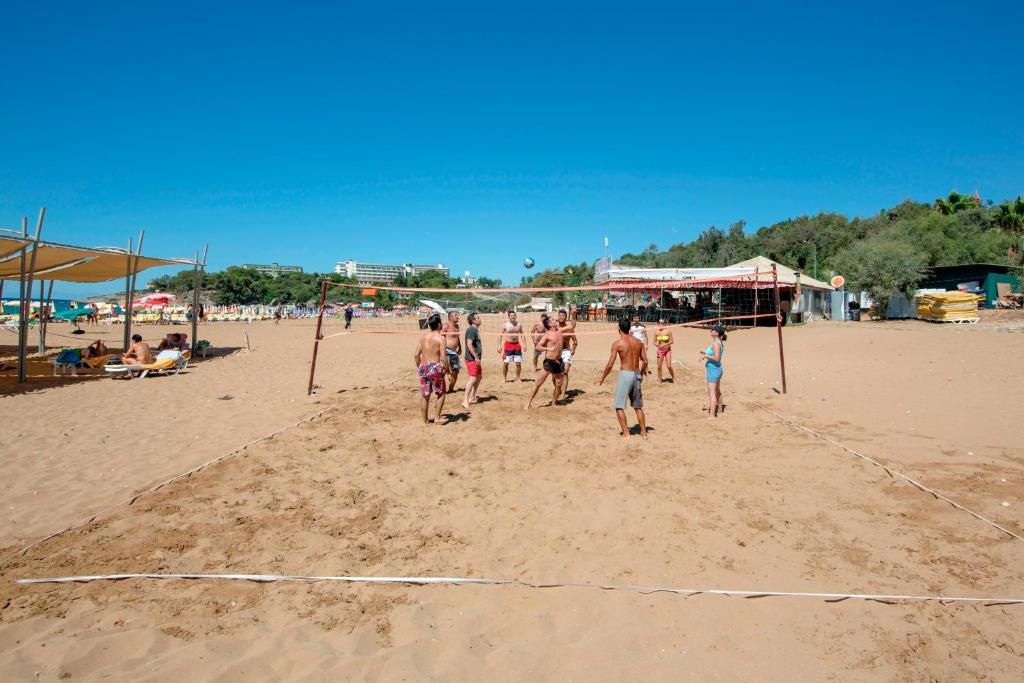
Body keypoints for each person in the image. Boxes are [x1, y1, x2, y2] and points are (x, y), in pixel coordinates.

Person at [596, 317, 649, 438]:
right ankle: (644, 433)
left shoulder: (617, 344)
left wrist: (603, 377)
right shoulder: (638, 342)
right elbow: (645, 361)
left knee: (619, 406)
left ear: (619, 328)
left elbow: (610, 364)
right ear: (629, 328)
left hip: (626, 374)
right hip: (636, 374)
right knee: (638, 406)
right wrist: (641, 373)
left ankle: (626, 434)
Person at [414, 313, 450, 424]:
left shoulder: (423, 336)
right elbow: (443, 357)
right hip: (434, 367)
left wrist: (419, 366)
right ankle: (437, 417)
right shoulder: (441, 338)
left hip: (423, 366)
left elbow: (416, 355)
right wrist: (447, 370)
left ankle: (425, 421)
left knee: (425, 395)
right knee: (441, 393)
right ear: (439, 324)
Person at [524, 316, 564, 410]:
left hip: (558, 362)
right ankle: (528, 403)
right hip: (549, 362)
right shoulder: (547, 335)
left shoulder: (559, 331)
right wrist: (547, 348)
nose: (555, 320)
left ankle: (554, 403)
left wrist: (574, 315)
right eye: (553, 320)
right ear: (550, 324)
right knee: (538, 384)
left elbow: (572, 326)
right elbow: (538, 347)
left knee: (558, 385)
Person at [699, 324, 727, 418]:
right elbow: (715, 354)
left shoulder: (716, 344)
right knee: (717, 391)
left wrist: (706, 356)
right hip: (717, 369)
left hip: (713, 370)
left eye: (713, 330)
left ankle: (712, 415)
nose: (711, 330)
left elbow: (716, 358)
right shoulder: (718, 342)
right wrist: (705, 352)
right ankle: (720, 410)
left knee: (712, 393)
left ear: (717, 333)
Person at [462, 311, 484, 409]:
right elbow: (469, 344)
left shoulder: (475, 330)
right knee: (473, 378)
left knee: (479, 376)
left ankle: (472, 397)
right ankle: (465, 400)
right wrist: (475, 356)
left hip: (476, 358)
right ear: (473, 320)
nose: (480, 319)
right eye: (478, 318)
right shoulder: (471, 330)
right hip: (472, 358)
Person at [498, 310, 525, 382]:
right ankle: (504, 378)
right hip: (508, 345)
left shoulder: (519, 325)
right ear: (509, 317)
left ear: (515, 316)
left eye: (514, 315)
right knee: (506, 363)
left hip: (517, 345)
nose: (513, 317)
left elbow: (522, 334)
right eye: (511, 316)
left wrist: (524, 344)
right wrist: (499, 345)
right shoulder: (505, 325)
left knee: (518, 363)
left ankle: (518, 377)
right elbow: (500, 335)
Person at [556, 309, 577, 392]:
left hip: (566, 351)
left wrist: (573, 349)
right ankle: (558, 389)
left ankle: (563, 394)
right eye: (560, 315)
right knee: (555, 375)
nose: (561, 316)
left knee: (565, 371)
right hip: (556, 352)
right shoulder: (554, 328)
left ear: (566, 317)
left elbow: (575, 341)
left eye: (563, 315)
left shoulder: (569, 328)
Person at [441, 310, 462, 392]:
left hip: (454, 352)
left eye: (457, 315)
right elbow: (440, 336)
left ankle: (450, 389)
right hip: (446, 351)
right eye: (455, 315)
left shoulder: (457, 326)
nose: (457, 316)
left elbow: (457, 337)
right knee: (443, 371)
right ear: (450, 317)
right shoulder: (446, 326)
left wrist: (460, 347)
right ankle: (440, 388)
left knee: (456, 371)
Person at [654, 318, 675, 382]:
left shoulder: (668, 331)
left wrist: (665, 345)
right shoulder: (656, 332)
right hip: (660, 350)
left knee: (669, 366)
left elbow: (672, 341)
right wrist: (657, 344)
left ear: (665, 324)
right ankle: (660, 379)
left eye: (662, 323)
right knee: (659, 366)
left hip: (667, 350)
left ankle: (673, 377)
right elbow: (654, 342)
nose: (661, 324)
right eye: (659, 323)